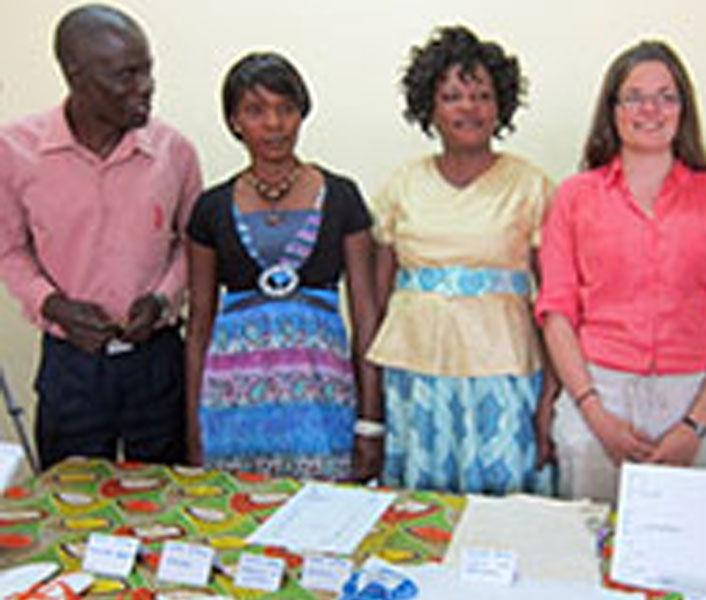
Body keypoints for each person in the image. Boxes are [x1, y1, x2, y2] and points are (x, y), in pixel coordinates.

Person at [536, 40, 706, 503]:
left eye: (666, 96)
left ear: (683, 109)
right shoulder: (574, 197)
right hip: (597, 394)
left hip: (696, 396)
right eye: (634, 96)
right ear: (612, 110)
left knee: (692, 563)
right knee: (590, 556)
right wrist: (594, 415)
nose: (650, 109)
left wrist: (695, 425)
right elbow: (557, 316)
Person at [0, 4, 202, 470]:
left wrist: (163, 299)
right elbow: (10, 250)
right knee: (69, 508)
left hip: (157, 362)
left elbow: (192, 245)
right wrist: (51, 303)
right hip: (71, 367)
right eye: (126, 75)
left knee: (167, 502)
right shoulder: (15, 152)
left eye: (147, 69)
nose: (145, 87)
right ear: (77, 76)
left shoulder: (175, 152)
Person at [367, 25, 557, 495]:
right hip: (417, 378)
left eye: (482, 95)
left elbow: (556, 302)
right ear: (429, 106)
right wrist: (369, 411)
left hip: (504, 376)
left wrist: (552, 396)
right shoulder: (401, 185)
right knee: (423, 512)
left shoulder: (532, 186)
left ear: (502, 105)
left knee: (503, 513)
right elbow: (376, 301)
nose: (468, 107)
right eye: (452, 96)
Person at [185, 52, 381, 482]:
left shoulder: (343, 196)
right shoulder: (210, 209)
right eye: (256, 111)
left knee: (325, 526)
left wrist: (370, 421)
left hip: (322, 402)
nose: (274, 124)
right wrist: (195, 426)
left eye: (286, 109)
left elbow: (366, 317)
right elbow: (199, 324)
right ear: (234, 120)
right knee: (235, 527)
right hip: (232, 405)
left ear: (302, 114)